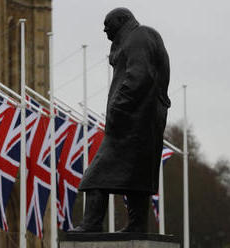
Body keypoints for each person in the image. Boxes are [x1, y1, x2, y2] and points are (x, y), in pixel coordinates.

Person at [72, 7, 171, 233]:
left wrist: (118, 107)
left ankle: (92, 223)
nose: (105, 31)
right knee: (137, 177)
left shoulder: (139, 37)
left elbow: (140, 75)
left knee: (95, 175)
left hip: (132, 122)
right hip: (141, 121)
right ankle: (136, 225)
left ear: (122, 21)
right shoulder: (142, 37)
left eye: (109, 25)